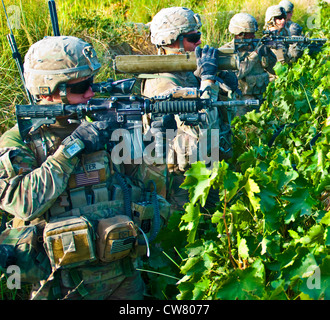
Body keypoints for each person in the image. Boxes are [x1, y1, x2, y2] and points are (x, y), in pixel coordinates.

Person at [0, 35, 169, 299]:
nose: (91, 93)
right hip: (60, 283)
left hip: (120, 273)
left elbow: (149, 188)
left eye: (93, 84)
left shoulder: (100, 124)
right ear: (49, 90)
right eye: (82, 87)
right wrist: (73, 147)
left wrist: (152, 142)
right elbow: (23, 203)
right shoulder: (20, 140)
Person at [141, 7, 237, 210]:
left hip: (202, 172)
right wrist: (207, 81)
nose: (199, 42)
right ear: (170, 41)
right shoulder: (163, 86)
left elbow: (218, 123)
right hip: (179, 186)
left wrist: (221, 86)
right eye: (193, 38)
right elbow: (195, 137)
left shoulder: (185, 74)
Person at [220, 13, 277, 117]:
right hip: (240, 102)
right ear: (240, 34)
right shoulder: (227, 51)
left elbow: (273, 69)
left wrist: (267, 51)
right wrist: (254, 55)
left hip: (261, 97)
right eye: (250, 33)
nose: (254, 36)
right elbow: (236, 74)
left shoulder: (258, 46)